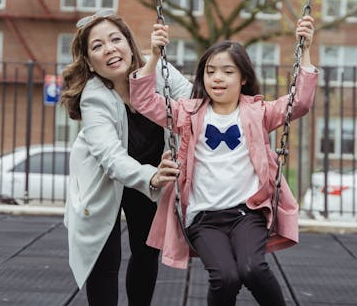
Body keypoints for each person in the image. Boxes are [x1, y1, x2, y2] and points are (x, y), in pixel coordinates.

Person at [129, 16, 318, 306]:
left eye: (227, 71)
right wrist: (154, 57)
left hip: (247, 214)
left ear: (242, 78)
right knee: (225, 277)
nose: (217, 78)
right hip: (204, 218)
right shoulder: (186, 114)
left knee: (253, 269)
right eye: (210, 71)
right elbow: (143, 101)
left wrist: (304, 50)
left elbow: (300, 103)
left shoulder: (258, 113)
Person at [60, 9, 192, 306]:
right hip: (104, 180)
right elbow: (111, 156)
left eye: (115, 39)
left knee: (146, 252)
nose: (109, 49)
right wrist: (152, 176)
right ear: (89, 62)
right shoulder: (95, 97)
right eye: (97, 46)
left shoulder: (158, 71)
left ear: (130, 44)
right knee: (104, 257)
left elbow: (193, 103)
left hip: (147, 180)